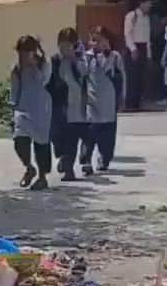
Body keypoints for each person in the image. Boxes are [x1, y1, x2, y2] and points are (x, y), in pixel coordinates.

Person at [9, 35, 53, 190]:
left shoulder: (43, 64)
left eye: (26, 52)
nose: (23, 56)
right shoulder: (17, 69)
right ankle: (29, 167)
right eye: (21, 52)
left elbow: (44, 81)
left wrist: (35, 66)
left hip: (41, 109)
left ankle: (42, 177)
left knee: (41, 144)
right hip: (22, 109)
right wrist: (12, 109)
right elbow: (14, 90)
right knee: (19, 142)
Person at [82, 27, 126, 173]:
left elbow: (121, 77)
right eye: (93, 40)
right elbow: (82, 73)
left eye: (99, 40)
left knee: (107, 135)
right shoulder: (87, 57)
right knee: (89, 132)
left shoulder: (114, 57)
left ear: (107, 40)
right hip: (92, 100)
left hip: (109, 101)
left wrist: (122, 97)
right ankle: (86, 160)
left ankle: (104, 158)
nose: (96, 43)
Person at [47, 27, 88, 181]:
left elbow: (85, 73)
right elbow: (48, 81)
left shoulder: (80, 60)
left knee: (72, 139)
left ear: (74, 45)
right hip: (58, 104)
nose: (64, 48)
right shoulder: (54, 60)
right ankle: (62, 157)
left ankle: (69, 169)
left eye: (68, 45)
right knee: (56, 136)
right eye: (62, 45)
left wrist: (74, 60)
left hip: (75, 105)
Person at [123, 0, 154, 111]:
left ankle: (137, 104)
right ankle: (129, 104)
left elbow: (147, 38)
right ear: (141, 3)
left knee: (141, 78)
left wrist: (149, 55)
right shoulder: (132, 15)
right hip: (134, 47)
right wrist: (133, 49)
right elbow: (127, 34)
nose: (149, 6)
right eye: (148, 4)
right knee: (132, 78)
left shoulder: (147, 18)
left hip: (143, 48)